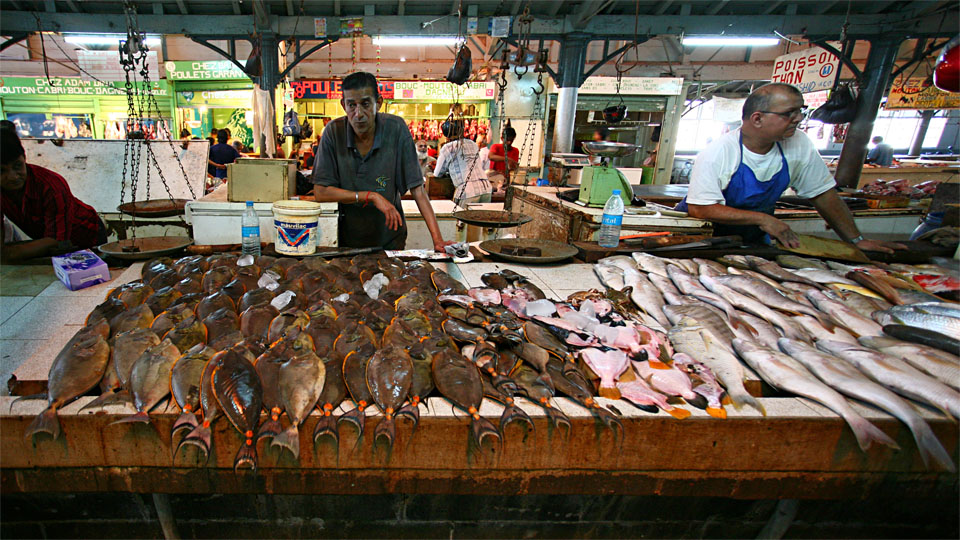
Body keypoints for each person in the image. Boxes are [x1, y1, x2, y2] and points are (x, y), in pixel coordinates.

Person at [676, 83, 905, 254]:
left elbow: (823, 195)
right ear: (757, 119)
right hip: (699, 239)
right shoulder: (720, 152)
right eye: (789, 114)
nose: (798, 119)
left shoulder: (798, 144)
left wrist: (856, 240)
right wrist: (763, 219)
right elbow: (701, 208)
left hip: (751, 240)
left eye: (800, 111)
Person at [311, 71, 449, 251]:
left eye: (365, 104)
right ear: (343, 105)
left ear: (379, 103)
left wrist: (438, 240)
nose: (358, 113)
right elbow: (320, 192)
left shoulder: (396, 129)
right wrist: (371, 196)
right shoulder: (333, 132)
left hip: (390, 240)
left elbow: (418, 190)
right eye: (351, 105)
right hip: (345, 241)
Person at [1, 127, 106, 261]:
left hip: (88, 234)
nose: (12, 177)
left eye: (17, 166)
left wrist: (7, 253)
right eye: (1, 171)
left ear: (24, 158)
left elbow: (56, 240)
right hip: (49, 240)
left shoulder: (50, 186)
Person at [433, 119, 493, 205]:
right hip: (486, 189)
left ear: (446, 135)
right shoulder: (472, 143)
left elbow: (437, 173)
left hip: (468, 192)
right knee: (481, 217)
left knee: (462, 218)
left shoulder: (448, 148)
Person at [487, 126, 519, 190]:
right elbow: (491, 156)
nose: (509, 142)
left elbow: (513, 167)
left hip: (506, 182)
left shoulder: (515, 151)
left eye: (511, 140)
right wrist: (507, 159)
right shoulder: (496, 147)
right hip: (494, 180)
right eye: (507, 140)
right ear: (502, 138)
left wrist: (512, 165)